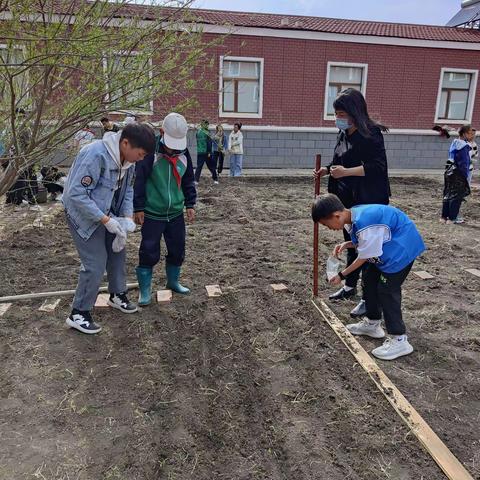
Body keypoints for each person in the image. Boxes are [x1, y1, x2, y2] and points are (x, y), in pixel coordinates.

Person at [62, 123, 156, 334]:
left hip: (107, 213)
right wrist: (105, 220)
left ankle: (117, 294)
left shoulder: (129, 161)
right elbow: (75, 194)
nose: (140, 159)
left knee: (117, 252)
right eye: (140, 154)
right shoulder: (96, 155)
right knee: (95, 263)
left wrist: (126, 217)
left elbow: (128, 189)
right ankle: (79, 312)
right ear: (125, 143)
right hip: (83, 215)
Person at [312, 193, 425, 360]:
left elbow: (364, 255)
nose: (330, 229)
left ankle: (399, 339)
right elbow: (367, 240)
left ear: (336, 215)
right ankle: (372, 323)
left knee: (387, 292)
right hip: (387, 247)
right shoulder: (352, 215)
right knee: (369, 281)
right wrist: (347, 244)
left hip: (401, 251)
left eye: (327, 225)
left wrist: (341, 275)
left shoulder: (365, 223)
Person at [314, 88, 390, 318]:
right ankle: (349, 287)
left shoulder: (372, 134)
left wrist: (347, 172)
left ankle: (369, 299)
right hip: (347, 198)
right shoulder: (343, 134)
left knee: (368, 249)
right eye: (336, 113)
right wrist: (327, 170)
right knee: (351, 241)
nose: (338, 118)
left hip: (368, 199)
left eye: (341, 113)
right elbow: (338, 160)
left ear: (354, 112)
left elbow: (378, 166)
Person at [133, 112, 196, 306]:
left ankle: (173, 281)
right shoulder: (150, 154)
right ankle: (145, 291)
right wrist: (138, 207)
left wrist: (190, 203)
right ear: (162, 132)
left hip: (175, 213)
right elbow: (139, 180)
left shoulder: (183, 154)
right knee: (149, 250)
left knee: (177, 249)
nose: (173, 149)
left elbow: (188, 180)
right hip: (153, 213)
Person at [441, 124, 473, 224]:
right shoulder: (464, 146)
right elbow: (464, 163)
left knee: (448, 193)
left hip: (449, 171)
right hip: (458, 173)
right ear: (464, 134)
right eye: (470, 133)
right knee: (457, 195)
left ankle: (443, 217)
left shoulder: (454, 143)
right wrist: (465, 175)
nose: (471, 135)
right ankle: (452, 218)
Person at [194, 119, 217, 184]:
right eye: (206, 124)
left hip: (200, 152)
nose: (207, 126)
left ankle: (196, 180)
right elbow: (209, 143)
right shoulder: (207, 132)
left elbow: (198, 142)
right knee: (211, 166)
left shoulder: (198, 132)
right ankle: (215, 179)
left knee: (199, 166)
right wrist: (209, 152)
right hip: (206, 152)